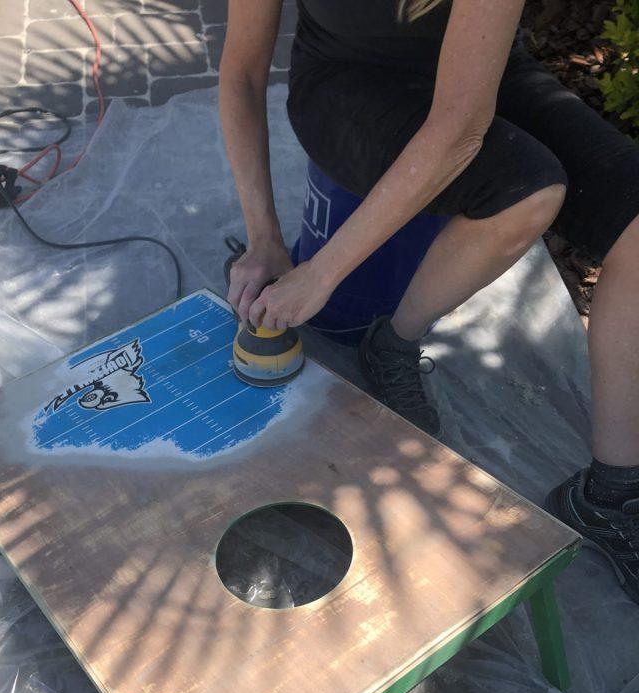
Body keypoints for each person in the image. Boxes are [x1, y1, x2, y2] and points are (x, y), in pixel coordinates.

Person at [219, 0, 639, 605]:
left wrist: (321, 273)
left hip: (477, 77)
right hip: (346, 80)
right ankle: (394, 342)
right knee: (528, 192)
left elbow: (460, 128)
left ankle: (611, 492)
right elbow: (240, 73)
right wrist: (265, 239)